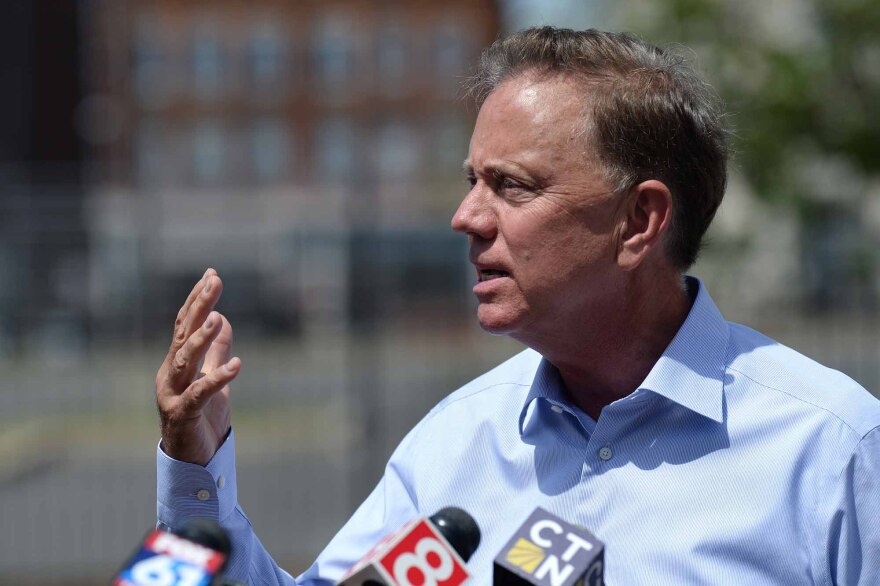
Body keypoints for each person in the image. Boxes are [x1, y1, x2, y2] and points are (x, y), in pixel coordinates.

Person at [154, 27, 880, 584]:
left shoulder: (830, 452)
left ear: (639, 221)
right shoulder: (458, 445)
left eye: (513, 187)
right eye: (473, 180)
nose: (465, 217)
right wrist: (194, 470)